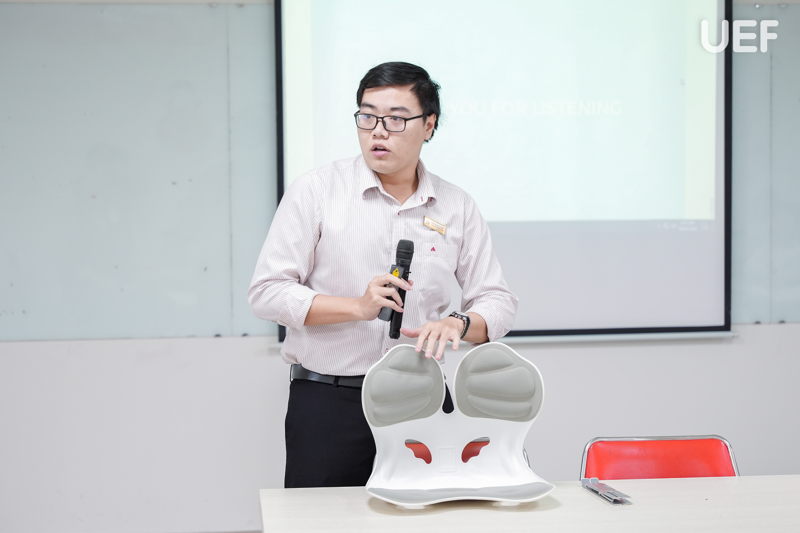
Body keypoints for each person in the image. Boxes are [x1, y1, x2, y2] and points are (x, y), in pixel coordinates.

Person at [248, 61, 517, 488]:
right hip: (329, 401)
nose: (378, 131)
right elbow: (267, 292)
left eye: (395, 119)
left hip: (422, 401)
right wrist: (356, 307)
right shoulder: (316, 191)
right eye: (367, 116)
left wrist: (458, 323)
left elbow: (497, 300)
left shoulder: (456, 205)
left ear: (429, 125)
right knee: (321, 519)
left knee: (431, 514)